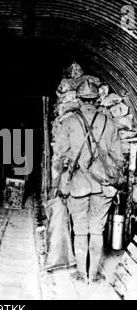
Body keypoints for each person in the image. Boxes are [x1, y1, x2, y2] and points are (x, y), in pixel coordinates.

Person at [51, 80, 124, 283]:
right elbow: (119, 158)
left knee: (81, 230)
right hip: (104, 187)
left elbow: (59, 157)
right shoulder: (110, 123)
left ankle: (82, 274)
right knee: (97, 230)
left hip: (78, 185)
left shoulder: (69, 123)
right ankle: (94, 273)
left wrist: (60, 182)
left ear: (79, 99)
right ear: (97, 99)